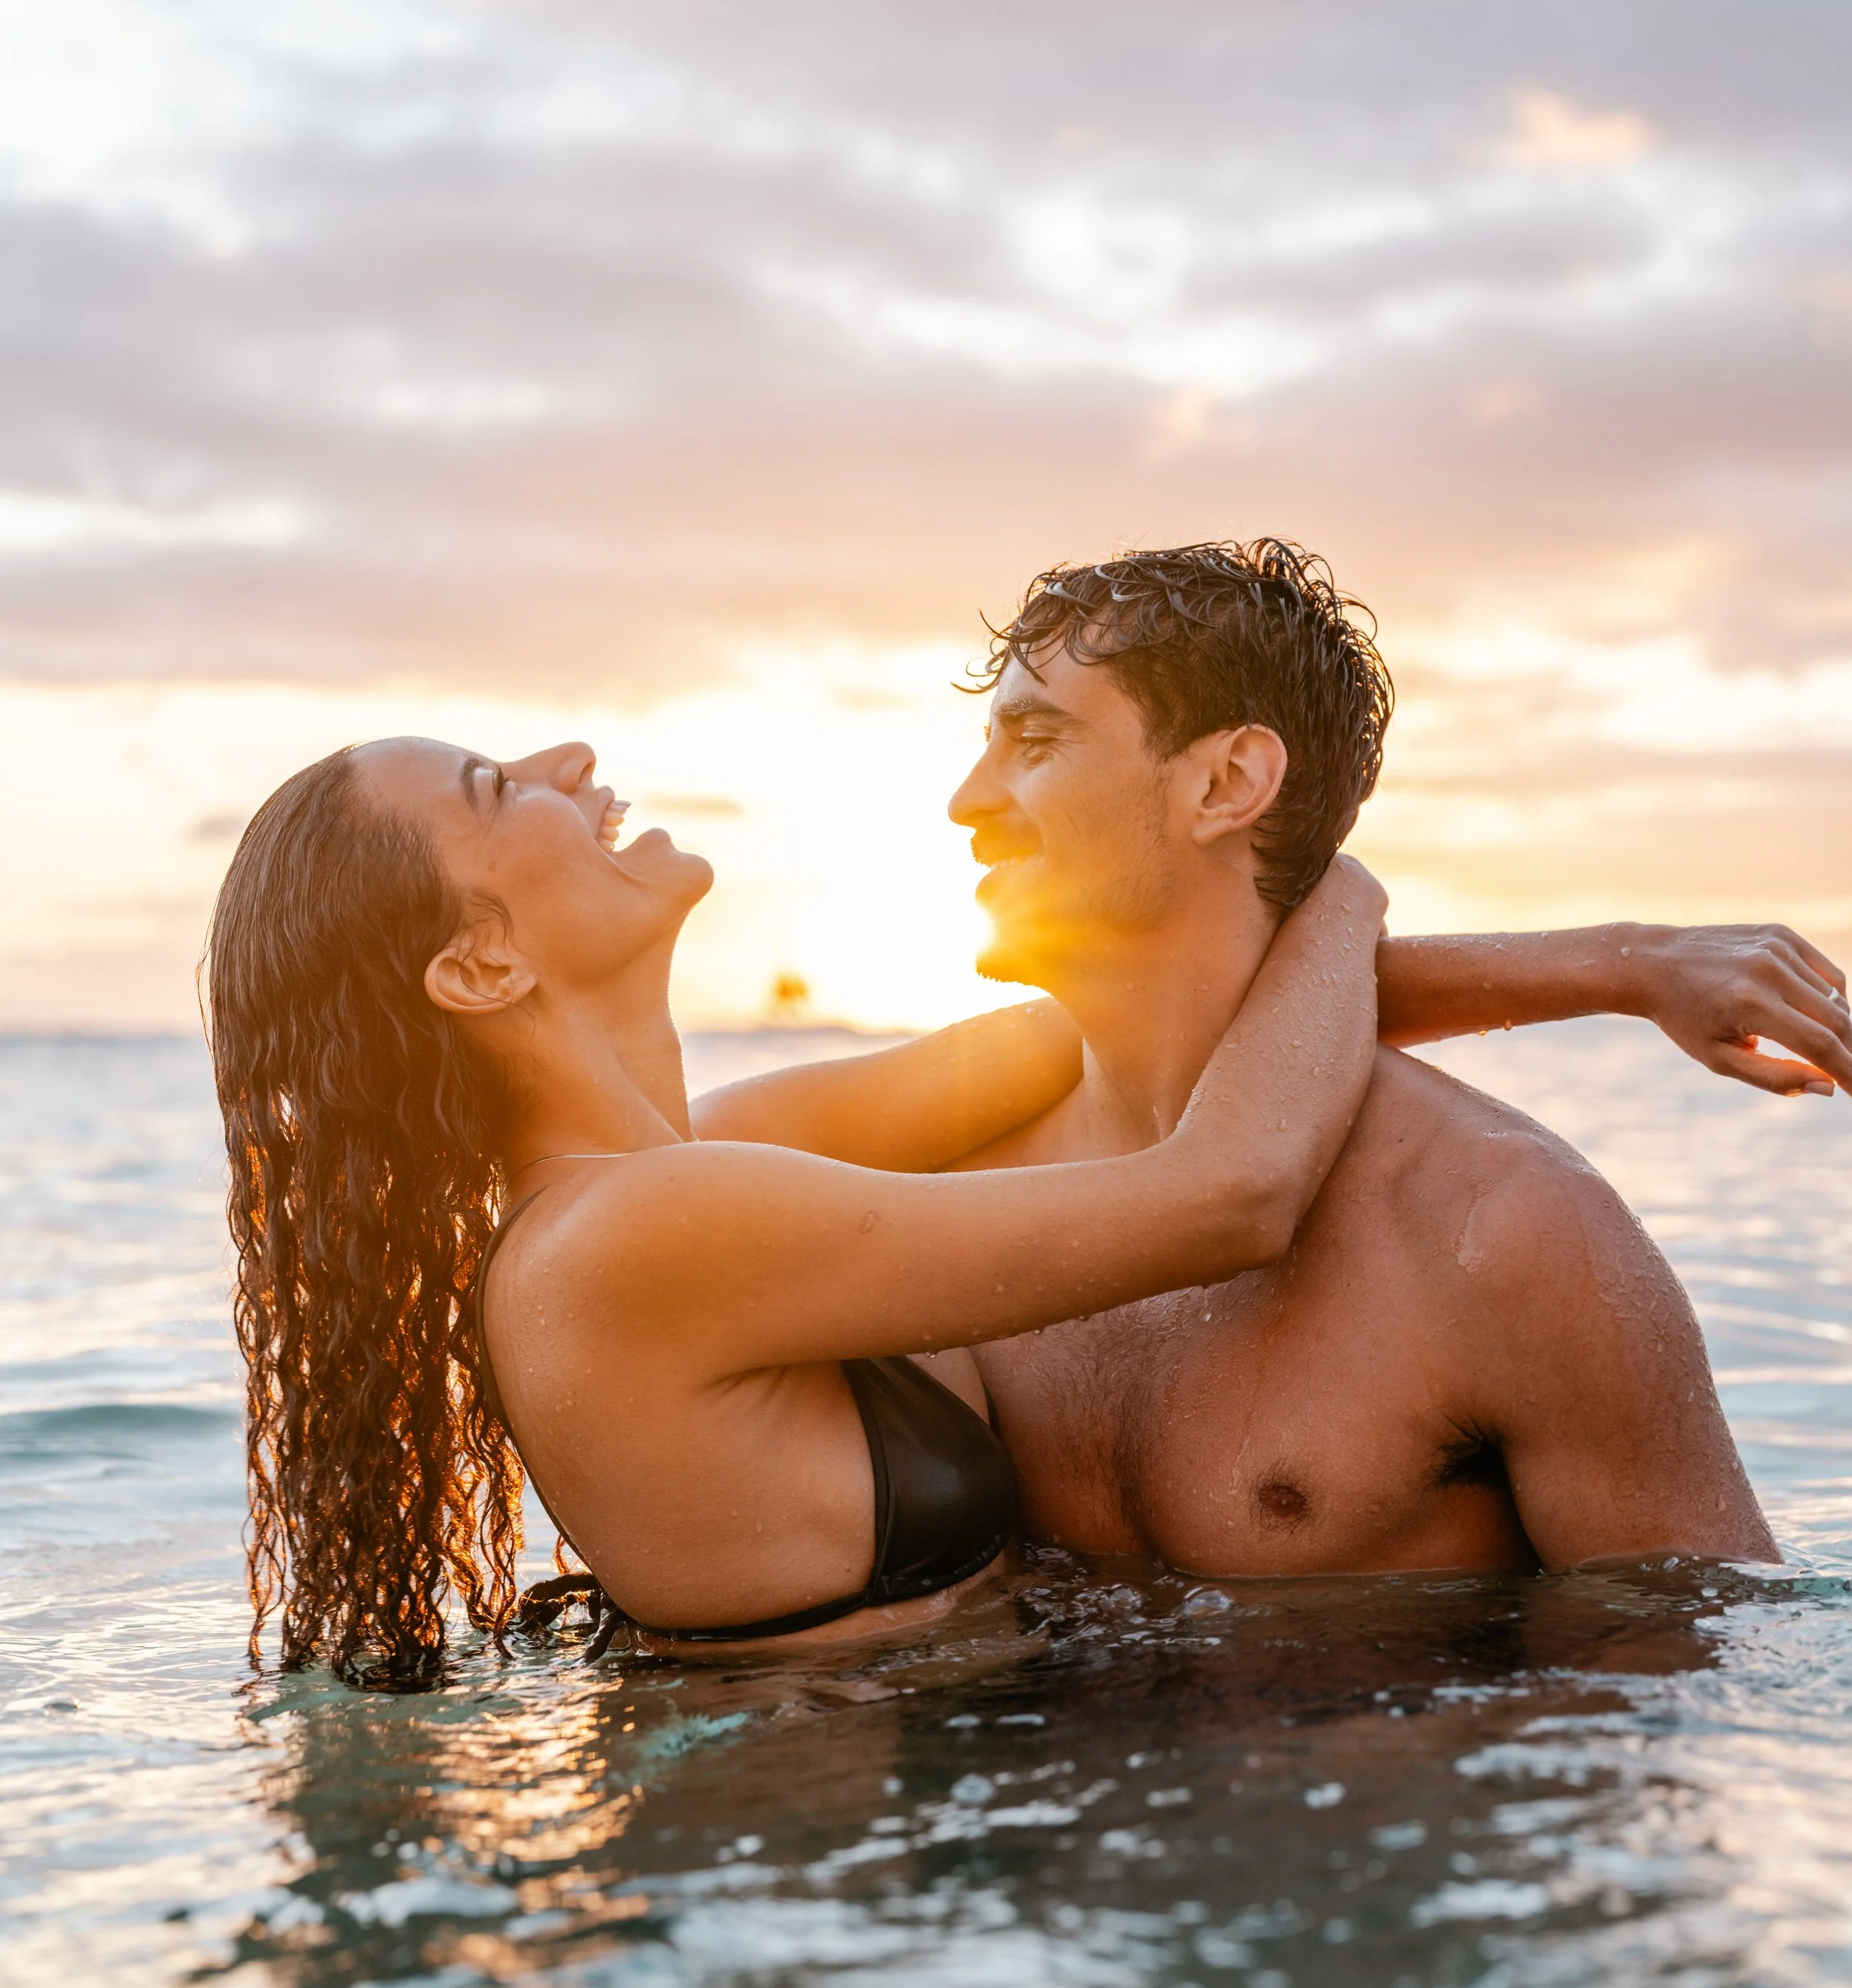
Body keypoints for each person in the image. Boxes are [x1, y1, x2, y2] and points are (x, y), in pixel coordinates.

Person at [705, 542, 1852, 1581]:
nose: (968, 801)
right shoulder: (938, 1198)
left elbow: (1677, 1707)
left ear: (1226, 784)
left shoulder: (1510, 1235)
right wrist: (1608, 961)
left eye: (1036, 738)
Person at [204, 736, 1385, 1680]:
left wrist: (1574, 971)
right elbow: (1231, 1194)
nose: (566, 757)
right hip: (815, 1879)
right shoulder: (627, 1240)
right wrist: (1335, 881)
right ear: (480, 966)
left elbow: (1143, 1031)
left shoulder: (710, 1159)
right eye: (496, 788)